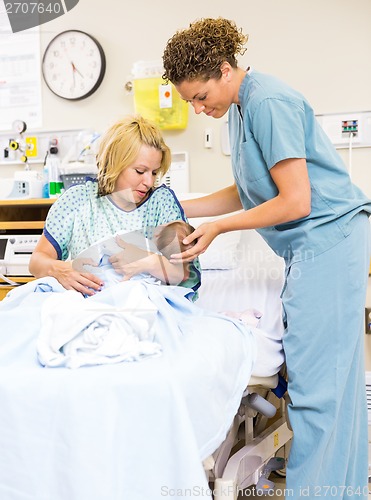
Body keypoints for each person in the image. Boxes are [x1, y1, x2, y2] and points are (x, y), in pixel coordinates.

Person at [162, 17, 371, 498]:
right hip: (312, 246)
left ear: (223, 68)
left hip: (329, 240)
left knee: (318, 393)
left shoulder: (268, 102)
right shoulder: (240, 107)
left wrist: (216, 229)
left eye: (199, 96)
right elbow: (249, 189)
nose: (197, 109)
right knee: (327, 389)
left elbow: (295, 201)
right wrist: (175, 204)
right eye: (190, 101)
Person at [29, 116, 201, 298]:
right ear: (114, 163)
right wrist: (60, 269)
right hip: (86, 303)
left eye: (154, 172)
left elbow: (182, 276)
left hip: (143, 304)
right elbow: (36, 262)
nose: (149, 181)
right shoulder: (78, 200)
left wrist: (149, 261)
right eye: (140, 171)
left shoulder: (161, 203)